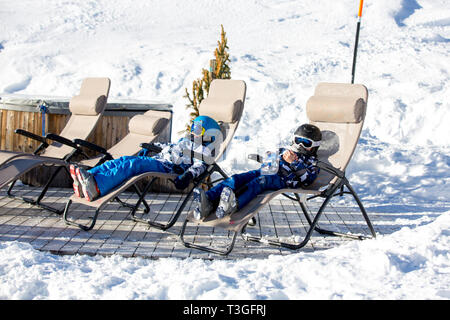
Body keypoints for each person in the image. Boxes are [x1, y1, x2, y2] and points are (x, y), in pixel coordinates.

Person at [69, 115, 222, 201]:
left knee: (133, 165)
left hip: (167, 167)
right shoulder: (185, 141)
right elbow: (169, 146)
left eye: (197, 129)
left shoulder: (203, 150)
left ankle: (97, 187)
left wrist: (187, 176)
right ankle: (89, 175)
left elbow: (200, 166)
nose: (193, 131)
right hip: (159, 159)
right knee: (124, 160)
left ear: (208, 133)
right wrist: (154, 146)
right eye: (192, 127)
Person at [192, 123, 322, 220]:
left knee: (259, 182)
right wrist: (271, 157)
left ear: (315, 146)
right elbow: (269, 161)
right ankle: (208, 200)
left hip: (282, 180)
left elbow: (308, 180)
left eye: (306, 143)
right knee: (237, 178)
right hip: (265, 171)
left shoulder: (312, 162)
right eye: (298, 140)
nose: (300, 145)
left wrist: (294, 162)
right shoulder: (285, 150)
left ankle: (234, 203)